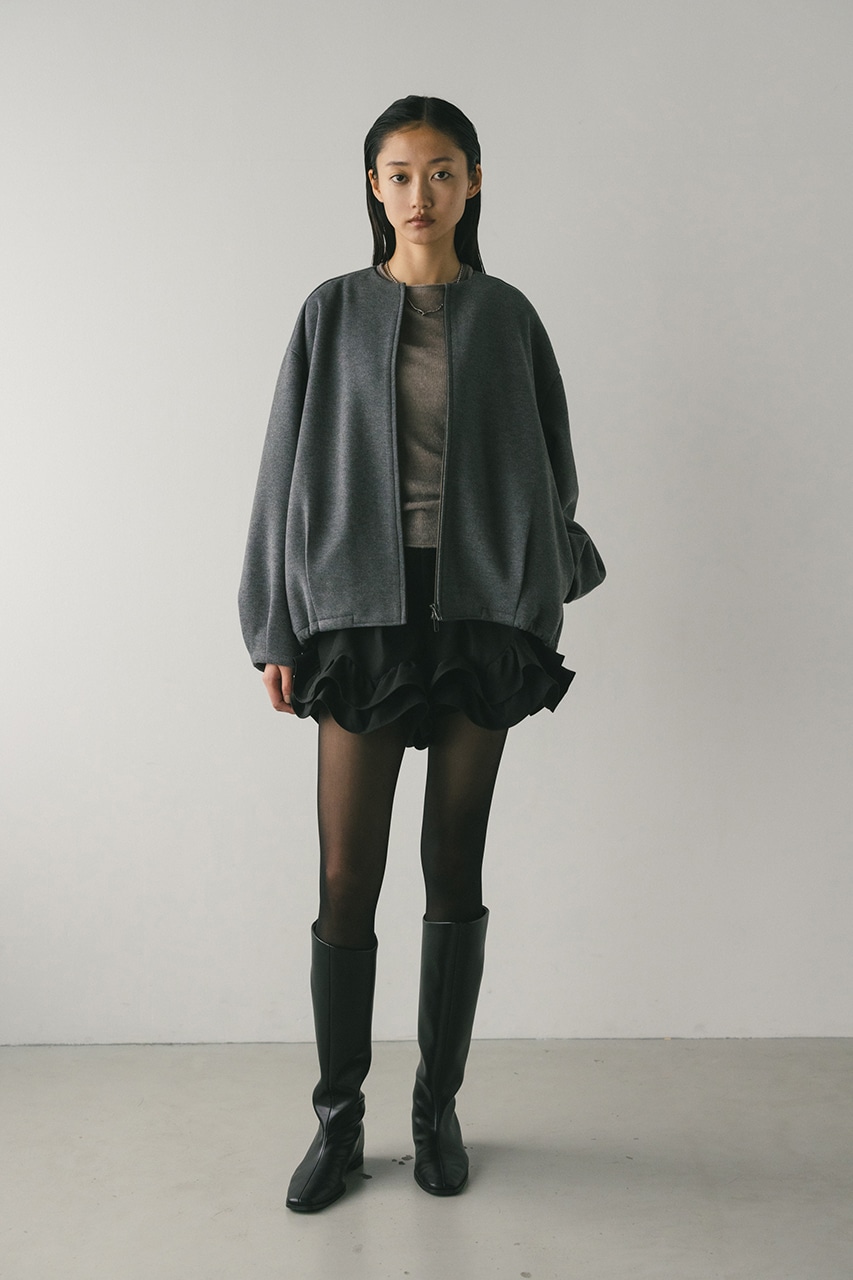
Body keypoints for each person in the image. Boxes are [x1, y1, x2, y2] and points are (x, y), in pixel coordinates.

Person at [239, 95, 605, 1213]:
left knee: (454, 864)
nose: (419, 192)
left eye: (441, 171)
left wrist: (537, 590)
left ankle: (435, 1108)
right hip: (358, 614)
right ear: (373, 187)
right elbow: (281, 472)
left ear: (473, 182)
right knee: (345, 876)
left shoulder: (507, 316)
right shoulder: (331, 312)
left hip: (477, 615)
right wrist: (273, 623)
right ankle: (337, 1121)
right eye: (398, 173)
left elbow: (552, 469)